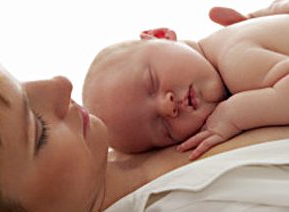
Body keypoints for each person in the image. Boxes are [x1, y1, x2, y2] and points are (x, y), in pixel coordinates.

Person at [0, 1, 289, 212]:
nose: (60, 84)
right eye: (39, 131)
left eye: (22, 84)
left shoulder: (129, 134)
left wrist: (266, 25)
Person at [83, 8, 289, 160]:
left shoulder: (235, 60)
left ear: (161, 36)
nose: (167, 107)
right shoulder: (221, 47)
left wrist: (235, 114)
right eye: (164, 128)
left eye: (152, 83)